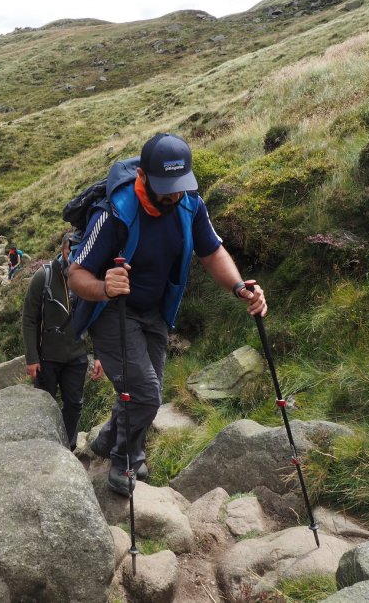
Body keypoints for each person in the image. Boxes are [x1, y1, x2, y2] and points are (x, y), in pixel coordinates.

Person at [68, 133, 267, 496]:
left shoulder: (190, 204)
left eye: (179, 187)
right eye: (165, 187)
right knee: (145, 394)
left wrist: (240, 287)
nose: (173, 195)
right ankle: (125, 460)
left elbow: (212, 253)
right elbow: (77, 274)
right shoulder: (114, 213)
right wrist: (105, 287)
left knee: (146, 388)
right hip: (114, 310)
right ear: (143, 177)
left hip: (155, 311)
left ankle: (106, 440)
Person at [22, 231, 103, 450]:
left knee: (74, 404)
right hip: (47, 357)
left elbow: (96, 319)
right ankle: (43, 447)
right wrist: (31, 358)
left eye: (79, 250)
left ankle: (68, 447)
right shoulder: (44, 276)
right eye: (71, 250)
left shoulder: (90, 276)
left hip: (77, 357)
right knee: (44, 404)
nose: (74, 255)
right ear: (62, 249)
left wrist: (99, 355)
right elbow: (29, 319)